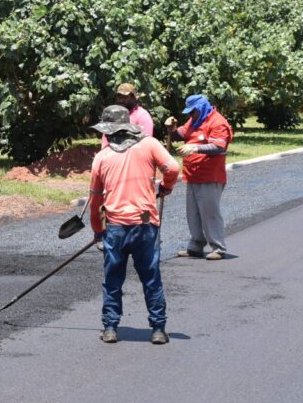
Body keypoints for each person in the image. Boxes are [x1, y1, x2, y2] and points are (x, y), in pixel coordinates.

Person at [89, 105, 179, 345]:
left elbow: (96, 200)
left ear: (109, 132)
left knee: (112, 280)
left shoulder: (102, 157)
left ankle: (110, 328)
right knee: (151, 278)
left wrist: (98, 232)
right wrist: (165, 188)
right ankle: (158, 329)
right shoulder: (149, 145)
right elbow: (172, 168)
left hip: (115, 229)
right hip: (145, 226)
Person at [166, 94, 232, 261]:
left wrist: (195, 148)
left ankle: (218, 247)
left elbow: (219, 147)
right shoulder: (195, 121)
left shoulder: (218, 122)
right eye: (189, 112)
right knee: (193, 213)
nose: (190, 115)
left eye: (193, 111)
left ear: (202, 107)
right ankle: (196, 245)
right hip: (192, 175)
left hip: (210, 176)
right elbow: (180, 134)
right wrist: (172, 129)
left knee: (210, 213)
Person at [100, 82, 155, 150]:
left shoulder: (142, 116)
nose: (121, 100)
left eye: (125, 97)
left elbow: (146, 144)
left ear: (134, 98)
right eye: (119, 96)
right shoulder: (114, 115)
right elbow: (105, 141)